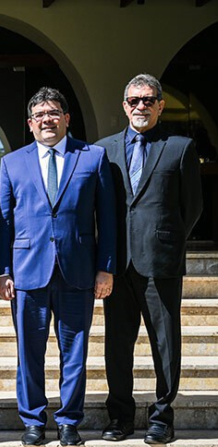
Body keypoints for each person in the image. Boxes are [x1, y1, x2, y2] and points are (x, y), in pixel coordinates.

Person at [0, 87, 117, 446]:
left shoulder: (93, 158)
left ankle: (68, 422)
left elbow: (106, 218)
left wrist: (105, 267)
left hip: (78, 269)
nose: (47, 119)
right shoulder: (12, 163)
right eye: (39, 115)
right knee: (29, 353)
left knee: (74, 351)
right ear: (31, 124)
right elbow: (3, 223)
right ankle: (33, 421)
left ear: (66, 119)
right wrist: (3, 270)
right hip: (28, 271)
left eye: (53, 113)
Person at [98, 74, 203, 445]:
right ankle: (120, 416)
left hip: (161, 262)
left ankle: (162, 416)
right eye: (133, 100)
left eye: (148, 99)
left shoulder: (180, 147)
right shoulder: (103, 150)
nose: (140, 106)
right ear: (124, 106)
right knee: (117, 345)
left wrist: (167, 240)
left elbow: (192, 208)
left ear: (160, 105)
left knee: (165, 342)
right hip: (117, 266)